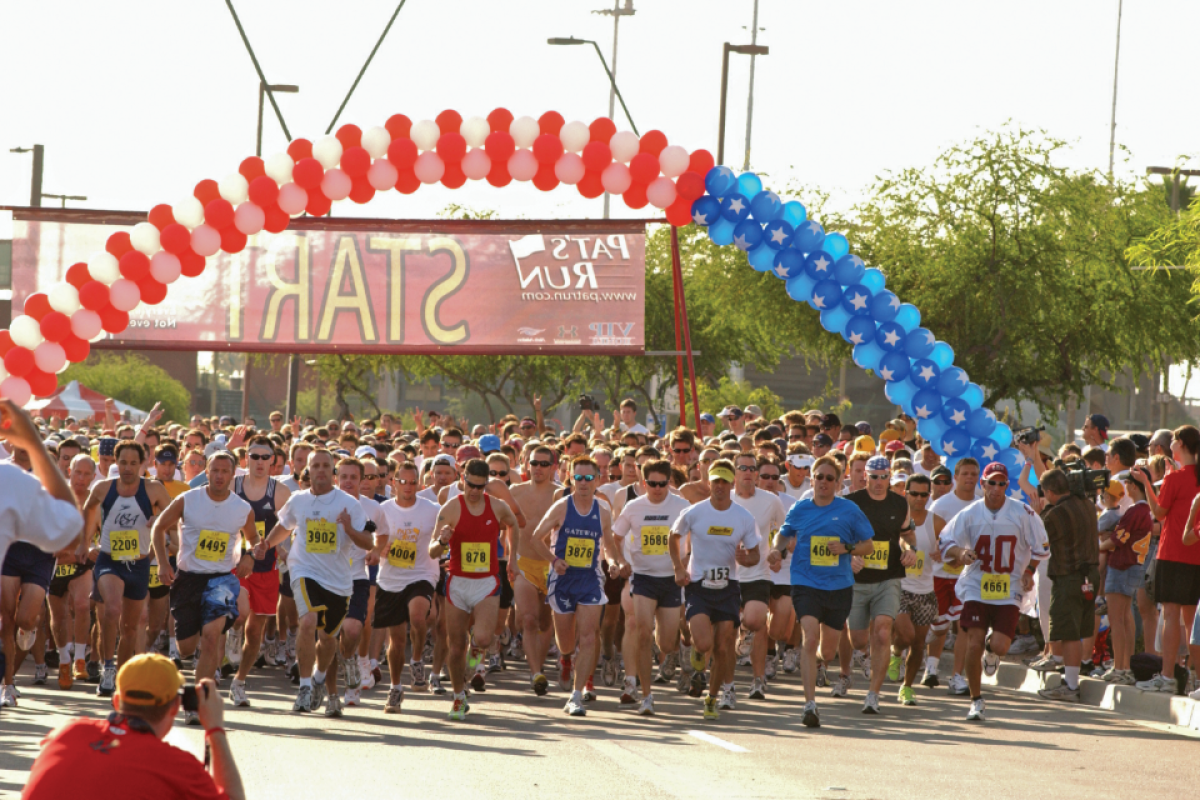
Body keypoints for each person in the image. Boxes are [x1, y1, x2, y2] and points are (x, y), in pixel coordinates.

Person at [23, 654, 245, 800]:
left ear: (117, 701)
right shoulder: (175, 765)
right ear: (175, 707)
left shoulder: (68, 732)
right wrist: (214, 729)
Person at [767, 455, 875, 728]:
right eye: (820, 477)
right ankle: (810, 705)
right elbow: (784, 532)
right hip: (805, 582)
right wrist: (776, 549)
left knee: (827, 651)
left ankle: (819, 664)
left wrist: (847, 549)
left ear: (838, 483)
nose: (824, 482)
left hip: (838, 586)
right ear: (811, 479)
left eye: (830, 478)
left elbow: (868, 546)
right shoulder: (800, 509)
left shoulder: (849, 510)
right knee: (809, 637)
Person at [263, 450, 371, 716]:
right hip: (304, 570)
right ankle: (304, 687)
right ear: (307, 470)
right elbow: (285, 527)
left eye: (326, 466)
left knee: (328, 637)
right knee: (308, 621)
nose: (320, 470)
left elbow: (368, 543)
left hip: (338, 581)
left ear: (332, 471)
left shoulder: (349, 504)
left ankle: (320, 678)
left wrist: (349, 529)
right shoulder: (297, 500)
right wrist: (265, 544)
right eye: (315, 466)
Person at [152, 452, 257, 723]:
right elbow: (158, 528)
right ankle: (192, 666)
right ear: (206, 472)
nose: (220, 476)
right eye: (215, 470)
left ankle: (196, 703)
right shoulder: (188, 500)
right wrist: (164, 563)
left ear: (233, 475)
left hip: (221, 578)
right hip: (188, 578)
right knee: (187, 648)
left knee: (211, 637)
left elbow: (255, 539)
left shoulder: (242, 508)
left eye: (225, 471)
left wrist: (249, 555)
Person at [940, 463, 1048, 721]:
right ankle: (976, 700)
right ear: (983, 484)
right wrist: (961, 553)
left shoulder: (1022, 512)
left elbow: (1041, 546)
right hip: (977, 585)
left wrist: (1028, 571)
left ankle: (992, 650)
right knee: (972, 641)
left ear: (1007, 486)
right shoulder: (970, 513)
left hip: (1009, 586)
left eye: (1002, 484)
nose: (997, 488)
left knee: (1000, 645)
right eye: (992, 483)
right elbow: (946, 542)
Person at [526, 456, 628, 717]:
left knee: (589, 636)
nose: (584, 483)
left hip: (590, 580)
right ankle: (566, 658)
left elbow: (610, 546)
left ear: (597, 480)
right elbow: (536, 538)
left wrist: (615, 562)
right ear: (571, 478)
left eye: (589, 478)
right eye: (578, 478)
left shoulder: (603, 511)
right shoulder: (561, 507)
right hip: (562, 580)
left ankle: (576, 695)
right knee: (567, 643)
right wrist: (554, 560)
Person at [0, 401, 83, 709]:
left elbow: (68, 519)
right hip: (10, 551)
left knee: (25, 619)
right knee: (6, 619)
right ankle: (8, 684)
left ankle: (28, 632)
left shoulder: (43, 473)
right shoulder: (4, 471)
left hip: (38, 554)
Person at [430, 458, 522, 720]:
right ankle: (459, 697)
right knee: (456, 644)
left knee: (482, 639)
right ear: (463, 479)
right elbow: (431, 550)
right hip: (458, 582)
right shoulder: (451, 508)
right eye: (470, 485)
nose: (474, 491)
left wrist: (512, 557)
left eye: (480, 487)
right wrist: (442, 541)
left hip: (486, 582)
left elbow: (514, 524)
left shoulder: (497, 506)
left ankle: (474, 661)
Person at [79, 441, 171, 696]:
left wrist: (159, 522)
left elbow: (175, 517)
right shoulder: (103, 487)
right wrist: (85, 544)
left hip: (139, 563)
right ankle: (107, 667)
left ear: (142, 464)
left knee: (131, 627)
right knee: (112, 609)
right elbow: (88, 509)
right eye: (123, 463)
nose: (128, 468)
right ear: (114, 462)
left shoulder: (153, 489)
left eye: (133, 463)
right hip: (109, 560)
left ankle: (121, 676)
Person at [670, 459, 760, 721]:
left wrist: (747, 559)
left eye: (725, 481)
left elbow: (754, 553)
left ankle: (711, 697)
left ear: (732, 483)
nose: (720, 485)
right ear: (708, 482)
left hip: (728, 587)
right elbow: (673, 536)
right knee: (704, 642)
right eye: (716, 480)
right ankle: (698, 652)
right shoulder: (695, 512)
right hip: (699, 585)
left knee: (723, 648)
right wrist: (678, 567)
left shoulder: (743, 517)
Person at [611, 458, 690, 715]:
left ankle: (666, 645)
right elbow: (614, 537)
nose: (657, 488)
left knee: (666, 644)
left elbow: (695, 538)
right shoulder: (633, 507)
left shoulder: (681, 506)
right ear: (644, 483)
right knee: (642, 633)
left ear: (670, 482)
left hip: (671, 579)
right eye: (652, 483)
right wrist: (621, 560)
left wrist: (685, 564)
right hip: (643, 577)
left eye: (663, 484)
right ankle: (646, 695)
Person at [845, 455, 916, 713]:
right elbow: (837, 536)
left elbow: (907, 534)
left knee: (884, 630)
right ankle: (861, 655)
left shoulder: (899, 503)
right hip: (856, 580)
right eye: (873, 476)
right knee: (859, 640)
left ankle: (873, 694)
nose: (878, 482)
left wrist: (911, 549)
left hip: (889, 577)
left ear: (890, 477)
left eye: (883, 477)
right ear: (865, 476)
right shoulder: (851, 503)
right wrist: (849, 556)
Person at [1133, 425, 1200, 694]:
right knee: (1192, 621)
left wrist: (1147, 483)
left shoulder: (1175, 478)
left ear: (1181, 443)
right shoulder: (1189, 475)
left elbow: (1159, 513)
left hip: (1172, 553)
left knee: (1171, 615)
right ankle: (1194, 677)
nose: (1170, 443)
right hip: (1195, 555)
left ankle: (1168, 675)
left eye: (1173, 439)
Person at [372, 461, 440, 712]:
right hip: (390, 578)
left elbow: (447, 526)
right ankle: (396, 688)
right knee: (397, 641)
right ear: (393, 482)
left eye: (413, 482)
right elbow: (371, 536)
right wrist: (380, 548)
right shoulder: (382, 510)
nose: (408, 487)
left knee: (418, 615)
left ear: (419, 484)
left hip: (422, 573)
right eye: (403, 481)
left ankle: (418, 659)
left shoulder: (432, 509)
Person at [228, 436, 291, 707]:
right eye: (255, 456)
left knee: (255, 633)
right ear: (246, 460)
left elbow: (288, 528)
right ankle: (231, 632)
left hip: (266, 568)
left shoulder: (280, 492)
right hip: (233, 562)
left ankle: (240, 681)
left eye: (266, 457)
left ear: (274, 462)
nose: (260, 462)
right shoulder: (231, 485)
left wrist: (283, 549)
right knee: (239, 613)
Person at [729, 452, 786, 703]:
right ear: (735, 473)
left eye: (753, 468)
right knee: (725, 630)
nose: (749, 472)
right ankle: (727, 684)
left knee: (758, 622)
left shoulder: (770, 500)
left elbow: (785, 530)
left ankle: (758, 679)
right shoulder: (723, 498)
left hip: (758, 572)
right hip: (726, 574)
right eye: (743, 468)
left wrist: (777, 550)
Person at [925, 458, 980, 695]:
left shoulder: (981, 505)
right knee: (939, 624)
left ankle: (957, 676)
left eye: (973, 474)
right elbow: (930, 539)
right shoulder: (941, 505)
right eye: (965, 473)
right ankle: (931, 667)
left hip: (968, 577)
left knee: (964, 627)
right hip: (939, 575)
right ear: (956, 477)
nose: (970, 478)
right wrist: (941, 552)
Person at [509, 445, 560, 695]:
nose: (537, 468)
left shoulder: (560, 495)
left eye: (543, 464)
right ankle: (535, 672)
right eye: (533, 463)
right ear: (526, 465)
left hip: (552, 565)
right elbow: (507, 529)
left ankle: (541, 666)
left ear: (553, 467)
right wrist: (511, 560)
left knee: (544, 621)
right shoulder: (514, 491)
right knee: (527, 620)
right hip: (524, 563)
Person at [1098, 471, 1153, 685]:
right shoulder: (1145, 511)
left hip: (1122, 565)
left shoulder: (1134, 511)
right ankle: (1125, 666)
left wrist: (1100, 546)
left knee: (1117, 619)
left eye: (1128, 483)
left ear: (1133, 486)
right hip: (1134, 566)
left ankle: (1119, 667)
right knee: (1126, 617)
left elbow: (1117, 539)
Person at [891, 474, 939, 706]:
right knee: (907, 636)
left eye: (924, 494)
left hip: (926, 591)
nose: (919, 499)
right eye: (914, 494)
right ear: (905, 493)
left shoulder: (936, 522)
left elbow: (953, 546)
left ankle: (907, 687)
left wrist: (950, 553)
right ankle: (895, 650)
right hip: (899, 587)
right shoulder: (894, 518)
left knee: (919, 644)